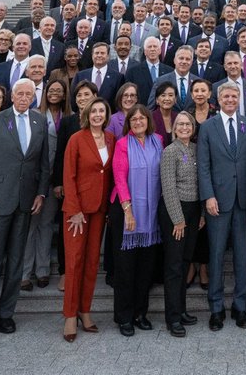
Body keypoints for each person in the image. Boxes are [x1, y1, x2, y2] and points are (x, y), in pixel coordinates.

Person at [0, 78, 51, 342]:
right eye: (20, 93)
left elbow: (43, 164)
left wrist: (41, 192)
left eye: (29, 94)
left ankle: (6, 314)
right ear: (12, 95)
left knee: (16, 261)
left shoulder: (39, 121)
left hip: (26, 202)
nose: (25, 97)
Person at [198, 81, 246, 331]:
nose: (231, 100)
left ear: (239, 99)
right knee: (216, 255)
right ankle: (216, 308)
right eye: (226, 97)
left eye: (234, 96)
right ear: (219, 100)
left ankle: (240, 306)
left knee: (242, 256)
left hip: (242, 202)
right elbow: (203, 165)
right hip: (218, 202)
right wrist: (208, 196)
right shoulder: (208, 127)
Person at [60, 96, 114, 340]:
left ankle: (85, 310)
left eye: (101, 111)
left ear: (106, 115)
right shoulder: (76, 139)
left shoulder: (111, 138)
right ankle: (70, 315)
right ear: (87, 115)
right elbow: (68, 176)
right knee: (74, 262)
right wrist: (74, 209)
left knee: (92, 262)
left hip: (100, 209)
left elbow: (108, 174)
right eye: (94, 111)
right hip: (78, 211)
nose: (97, 115)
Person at [107, 104, 163, 336]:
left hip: (151, 213)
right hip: (125, 211)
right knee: (126, 268)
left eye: (142, 118)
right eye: (134, 119)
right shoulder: (122, 144)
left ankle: (140, 313)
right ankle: (124, 317)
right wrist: (128, 211)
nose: (138, 122)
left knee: (145, 267)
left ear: (148, 120)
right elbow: (119, 178)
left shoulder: (158, 141)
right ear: (129, 123)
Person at [20, 78, 67, 290]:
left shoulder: (69, 117)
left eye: (59, 90)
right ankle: (25, 273)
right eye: (51, 90)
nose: (54, 93)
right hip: (35, 178)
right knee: (30, 226)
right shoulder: (35, 115)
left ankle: (42, 270)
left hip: (55, 180)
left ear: (65, 94)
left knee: (46, 225)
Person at [159, 111, 202, 337]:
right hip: (175, 212)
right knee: (174, 266)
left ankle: (182, 310)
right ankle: (173, 317)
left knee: (185, 262)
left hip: (194, 211)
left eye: (188, 124)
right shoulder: (170, 151)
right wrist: (178, 219)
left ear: (193, 128)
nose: (184, 127)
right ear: (175, 128)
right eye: (181, 124)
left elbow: (201, 181)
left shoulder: (196, 149)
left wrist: (201, 214)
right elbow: (168, 188)